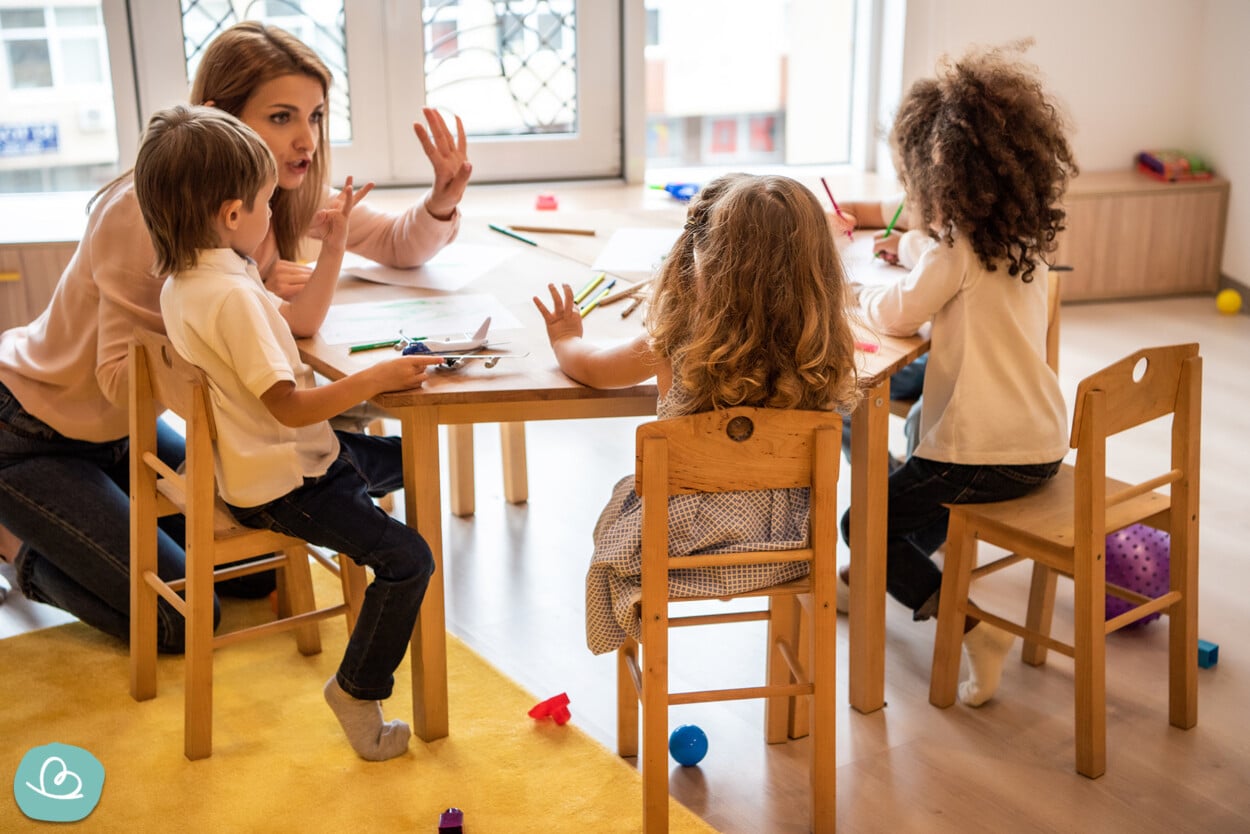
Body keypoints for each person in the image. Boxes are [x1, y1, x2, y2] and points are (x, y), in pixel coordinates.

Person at [0, 21, 470, 652]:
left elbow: (392, 242)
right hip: (33, 430)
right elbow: (118, 377)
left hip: (118, 436)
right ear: (215, 118)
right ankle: (13, 543)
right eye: (281, 117)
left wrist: (441, 199)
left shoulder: (263, 194)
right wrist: (228, 341)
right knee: (182, 620)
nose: (305, 138)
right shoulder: (144, 211)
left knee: (258, 574)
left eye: (316, 115)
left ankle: (88, 519)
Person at [135, 103, 440, 761]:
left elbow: (297, 320)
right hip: (287, 481)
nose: (275, 214)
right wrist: (375, 378)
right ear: (230, 214)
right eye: (267, 202)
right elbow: (290, 408)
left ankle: (383, 659)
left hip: (285, 461)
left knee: (412, 462)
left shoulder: (193, 279)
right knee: (409, 558)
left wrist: (332, 248)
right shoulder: (231, 296)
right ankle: (357, 690)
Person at [533, 173, 861, 655]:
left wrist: (565, 337)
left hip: (680, 553)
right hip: (791, 550)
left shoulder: (674, 344)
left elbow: (593, 369)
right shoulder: (825, 351)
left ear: (703, 264)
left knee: (618, 514)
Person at [841, 42, 1077, 707]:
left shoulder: (953, 250)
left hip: (983, 454)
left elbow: (894, 314)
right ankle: (872, 575)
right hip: (1040, 446)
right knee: (917, 445)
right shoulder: (1023, 243)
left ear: (932, 177)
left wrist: (847, 290)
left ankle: (971, 627)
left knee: (863, 522)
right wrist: (912, 246)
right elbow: (948, 264)